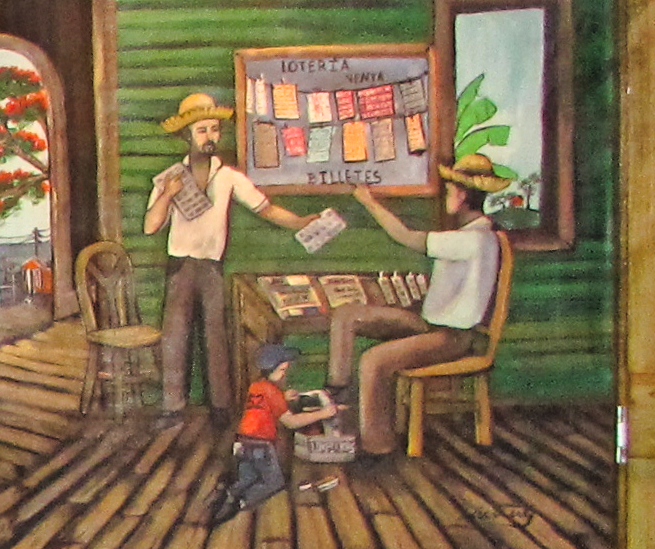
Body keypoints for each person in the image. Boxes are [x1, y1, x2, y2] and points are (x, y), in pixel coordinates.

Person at [141, 92, 318, 419]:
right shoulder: (171, 177)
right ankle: (172, 406)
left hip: (211, 267)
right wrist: (167, 195)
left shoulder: (229, 176)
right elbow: (151, 226)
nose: (210, 137)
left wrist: (298, 222)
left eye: (214, 130)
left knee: (216, 336)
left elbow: (265, 208)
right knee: (175, 337)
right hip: (180, 266)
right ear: (187, 135)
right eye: (202, 130)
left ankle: (221, 407)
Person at [329, 154, 512, 453]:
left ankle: (378, 448)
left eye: (451, 190)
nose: (446, 197)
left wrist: (369, 201)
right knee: (347, 315)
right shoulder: (469, 235)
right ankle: (335, 399)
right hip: (430, 325)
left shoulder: (474, 239)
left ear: (462, 195)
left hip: (451, 337)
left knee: (373, 361)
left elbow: (407, 237)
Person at [204, 343, 340, 524]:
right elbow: (291, 422)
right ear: (271, 369)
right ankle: (241, 503)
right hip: (261, 445)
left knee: (249, 477)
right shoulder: (273, 391)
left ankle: (227, 492)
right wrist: (324, 413)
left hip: (242, 442)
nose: (284, 373)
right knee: (274, 483)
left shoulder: (256, 386)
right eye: (282, 369)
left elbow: (265, 404)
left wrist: (284, 397)